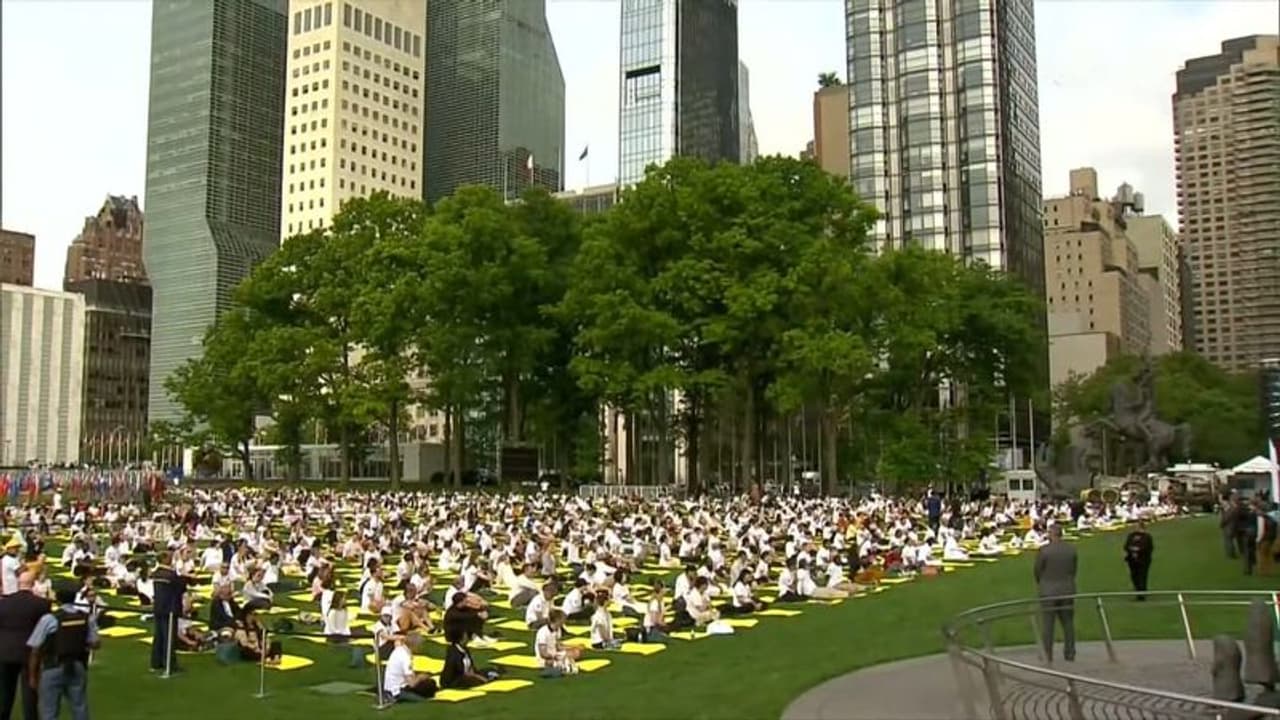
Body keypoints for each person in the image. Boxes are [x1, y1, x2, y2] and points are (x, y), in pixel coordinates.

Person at [26, 586, 98, 720]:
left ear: (58, 600)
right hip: (77, 665)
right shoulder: (86, 618)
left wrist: (32, 675)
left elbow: (35, 648)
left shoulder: (49, 619)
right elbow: (95, 643)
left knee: (49, 711)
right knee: (79, 707)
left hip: (53, 666)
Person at [0, 571, 51, 720]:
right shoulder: (42, 604)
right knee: (30, 691)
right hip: (29, 652)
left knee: (4, 692)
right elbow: (45, 629)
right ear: (33, 584)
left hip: (5, 651)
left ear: (18, 583)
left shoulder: (3, 603)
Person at [1034, 524, 1078, 663]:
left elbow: (1037, 570)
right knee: (1068, 623)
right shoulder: (1071, 550)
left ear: (1051, 534)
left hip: (1048, 591)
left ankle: (1048, 655)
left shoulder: (1044, 551)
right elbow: (1073, 569)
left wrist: (1042, 583)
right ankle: (1070, 653)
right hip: (1067, 589)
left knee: (1048, 624)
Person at [150, 551, 186, 673]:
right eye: (170, 557)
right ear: (164, 559)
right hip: (170, 608)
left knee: (159, 636)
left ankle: (156, 662)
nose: (171, 560)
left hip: (158, 608)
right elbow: (181, 587)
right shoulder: (170, 575)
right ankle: (170, 663)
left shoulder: (156, 573)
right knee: (169, 637)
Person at [382, 636, 437, 702]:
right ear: (414, 645)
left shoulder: (400, 649)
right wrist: (420, 677)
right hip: (397, 690)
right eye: (419, 645)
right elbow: (412, 683)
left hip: (392, 686)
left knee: (428, 682)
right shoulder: (405, 658)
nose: (421, 647)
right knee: (429, 686)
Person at [1122, 519, 1154, 600]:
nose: (1135, 527)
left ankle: (1142, 593)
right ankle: (1137, 590)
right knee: (1134, 576)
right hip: (1132, 560)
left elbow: (1148, 547)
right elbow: (1126, 545)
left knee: (1142, 576)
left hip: (1143, 560)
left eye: (1136, 526)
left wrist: (1137, 550)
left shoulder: (1147, 537)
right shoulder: (1131, 535)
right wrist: (1132, 550)